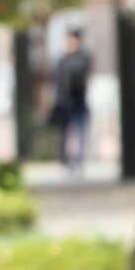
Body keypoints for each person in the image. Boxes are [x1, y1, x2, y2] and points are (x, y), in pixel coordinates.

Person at [52, 26, 91, 173]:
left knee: (80, 130)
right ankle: (65, 159)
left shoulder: (83, 58)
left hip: (78, 100)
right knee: (65, 132)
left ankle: (78, 160)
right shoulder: (62, 60)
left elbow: (81, 77)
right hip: (64, 101)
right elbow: (57, 81)